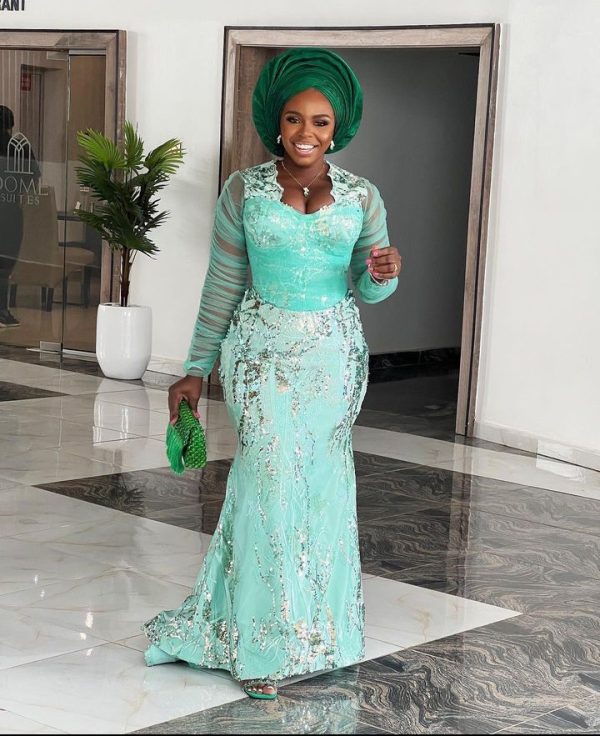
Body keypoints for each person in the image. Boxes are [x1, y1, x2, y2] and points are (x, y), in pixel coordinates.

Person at [143, 47, 402, 699]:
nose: (306, 133)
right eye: (294, 119)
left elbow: (369, 287)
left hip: (333, 361)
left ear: (337, 129)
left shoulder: (363, 197)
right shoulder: (244, 191)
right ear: (276, 124)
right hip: (260, 356)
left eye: (320, 121)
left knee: (321, 489)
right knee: (267, 483)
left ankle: (323, 635)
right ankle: (261, 644)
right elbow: (223, 282)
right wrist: (195, 369)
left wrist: (383, 276)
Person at [0, 105, 40, 327]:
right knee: (5, 263)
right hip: (10, 212)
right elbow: (34, 179)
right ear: (11, 125)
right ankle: (2, 310)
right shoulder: (20, 147)